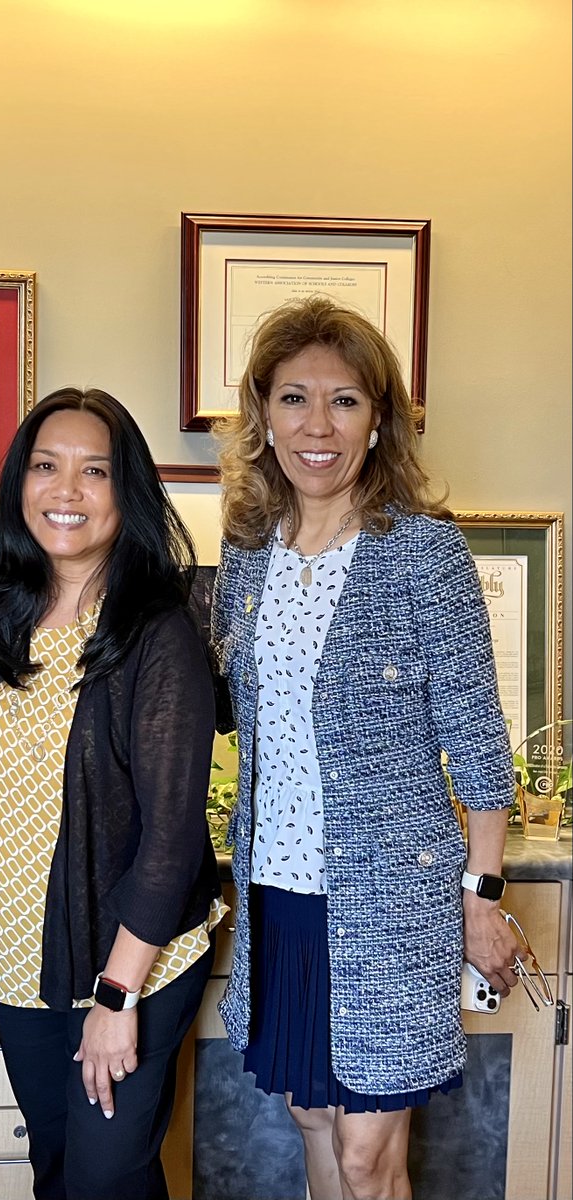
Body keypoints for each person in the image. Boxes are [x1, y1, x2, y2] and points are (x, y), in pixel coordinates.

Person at [210, 296, 521, 1200]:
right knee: (310, 1117)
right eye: (294, 398)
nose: (317, 426)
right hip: (278, 889)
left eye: (344, 401)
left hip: (389, 897)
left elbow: (474, 734)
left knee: (365, 1153)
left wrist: (482, 893)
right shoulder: (246, 555)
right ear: (262, 414)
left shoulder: (422, 553)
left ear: (378, 419)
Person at [0, 387, 223, 1200]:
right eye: (46, 467)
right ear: (18, 482)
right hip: (14, 954)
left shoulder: (155, 630)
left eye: (95, 472)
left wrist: (115, 996)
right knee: (58, 1168)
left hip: (127, 960)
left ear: (126, 493)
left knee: (104, 1177)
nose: (66, 491)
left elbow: (170, 838)